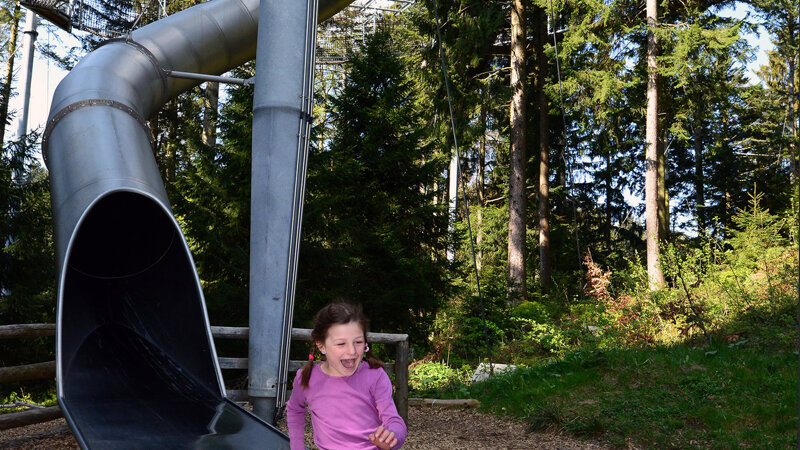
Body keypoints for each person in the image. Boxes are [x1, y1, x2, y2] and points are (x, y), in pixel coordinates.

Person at [286, 302, 407, 450]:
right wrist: (296, 446)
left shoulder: (375, 376)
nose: (352, 351)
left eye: (358, 342)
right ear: (321, 345)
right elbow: (294, 409)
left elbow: (394, 420)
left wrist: (392, 437)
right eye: (341, 344)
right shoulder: (307, 378)